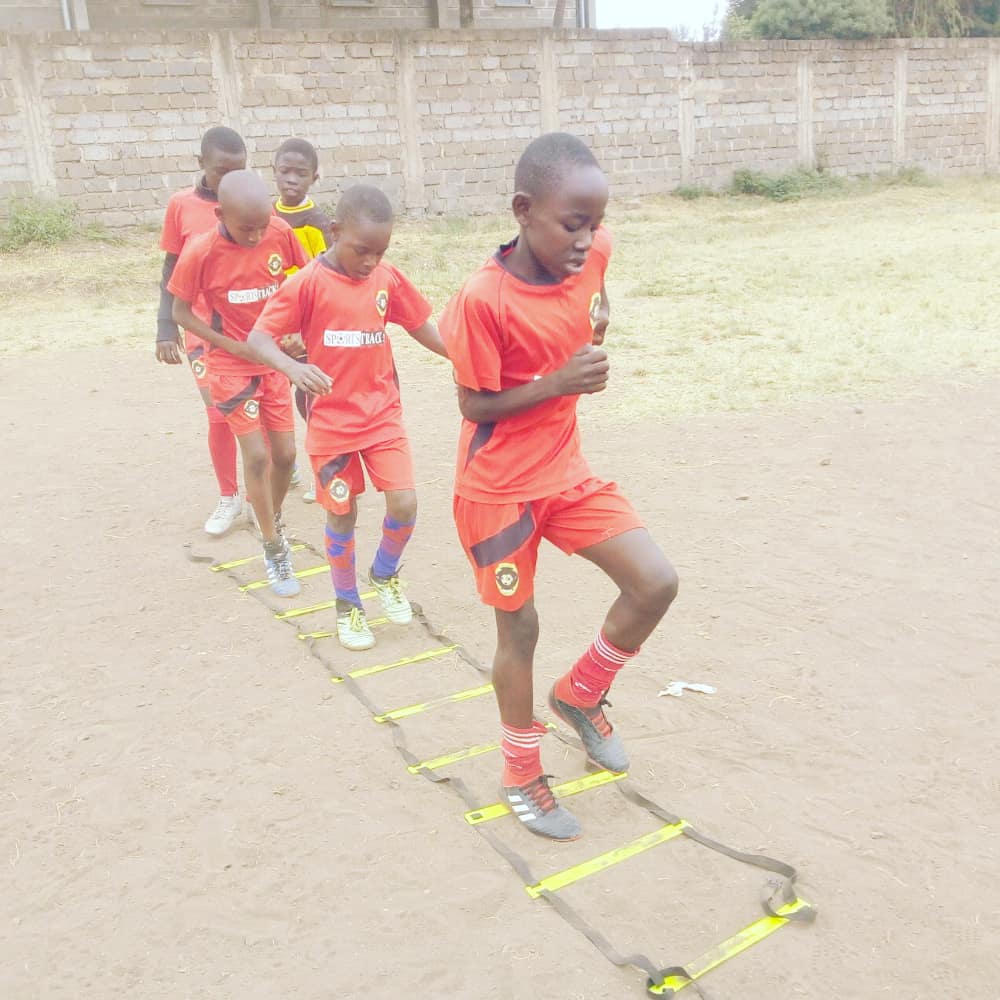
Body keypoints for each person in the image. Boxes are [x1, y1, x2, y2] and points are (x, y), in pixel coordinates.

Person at [439, 133, 679, 842]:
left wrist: (598, 320)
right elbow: (473, 406)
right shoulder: (482, 300)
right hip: (498, 490)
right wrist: (559, 382)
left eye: (595, 223)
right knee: (521, 627)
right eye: (572, 224)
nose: (587, 239)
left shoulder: (594, 253)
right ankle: (520, 772)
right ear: (522, 210)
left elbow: (592, 300)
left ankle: (582, 694)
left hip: (565, 473)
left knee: (655, 583)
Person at [248, 184, 448, 650]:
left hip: (382, 416)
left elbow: (421, 326)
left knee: (405, 503)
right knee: (342, 515)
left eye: (381, 252)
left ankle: (384, 574)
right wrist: (293, 367)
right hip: (332, 426)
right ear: (335, 232)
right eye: (362, 250)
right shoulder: (308, 284)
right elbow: (260, 338)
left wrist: (467, 359)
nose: (370, 262)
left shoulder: (386, 280)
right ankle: (348, 605)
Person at [168, 170, 309, 597]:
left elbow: (305, 279)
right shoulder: (200, 251)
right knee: (258, 456)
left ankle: (267, 513)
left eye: (262, 225)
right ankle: (273, 546)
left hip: (271, 362)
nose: (256, 235)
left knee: (285, 455)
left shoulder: (278, 231)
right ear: (220, 213)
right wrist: (231, 344)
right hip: (229, 366)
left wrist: (298, 329)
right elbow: (181, 313)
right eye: (247, 228)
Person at [155, 126, 247, 536]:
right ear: (201, 165)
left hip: (249, 330)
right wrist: (164, 328)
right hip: (202, 333)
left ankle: (276, 468)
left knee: (256, 413)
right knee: (218, 416)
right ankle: (229, 497)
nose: (229, 181)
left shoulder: (251, 201)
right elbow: (171, 270)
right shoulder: (182, 206)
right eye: (220, 171)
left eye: (238, 171)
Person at [271, 136, 333, 505]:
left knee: (307, 395)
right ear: (273, 172)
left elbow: (327, 278)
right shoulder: (264, 217)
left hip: (307, 324)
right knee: (268, 394)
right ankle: (285, 462)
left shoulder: (318, 223)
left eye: (301, 174)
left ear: (315, 177)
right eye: (285, 171)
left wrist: (308, 330)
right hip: (273, 320)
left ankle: (319, 469)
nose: (291, 180)